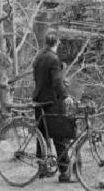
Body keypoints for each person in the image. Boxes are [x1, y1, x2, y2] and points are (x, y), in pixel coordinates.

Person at [33, 30, 74, 182]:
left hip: (39, 101)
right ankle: (64, 173)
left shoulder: (38, 58)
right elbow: (56, 82)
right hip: (51, 103)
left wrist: (61, 79)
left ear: (46, 43)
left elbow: (43, 80)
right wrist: (66, 96)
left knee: (41, 136)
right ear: (56, 43)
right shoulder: (54, 59)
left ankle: (42, 168)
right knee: (59, 135)